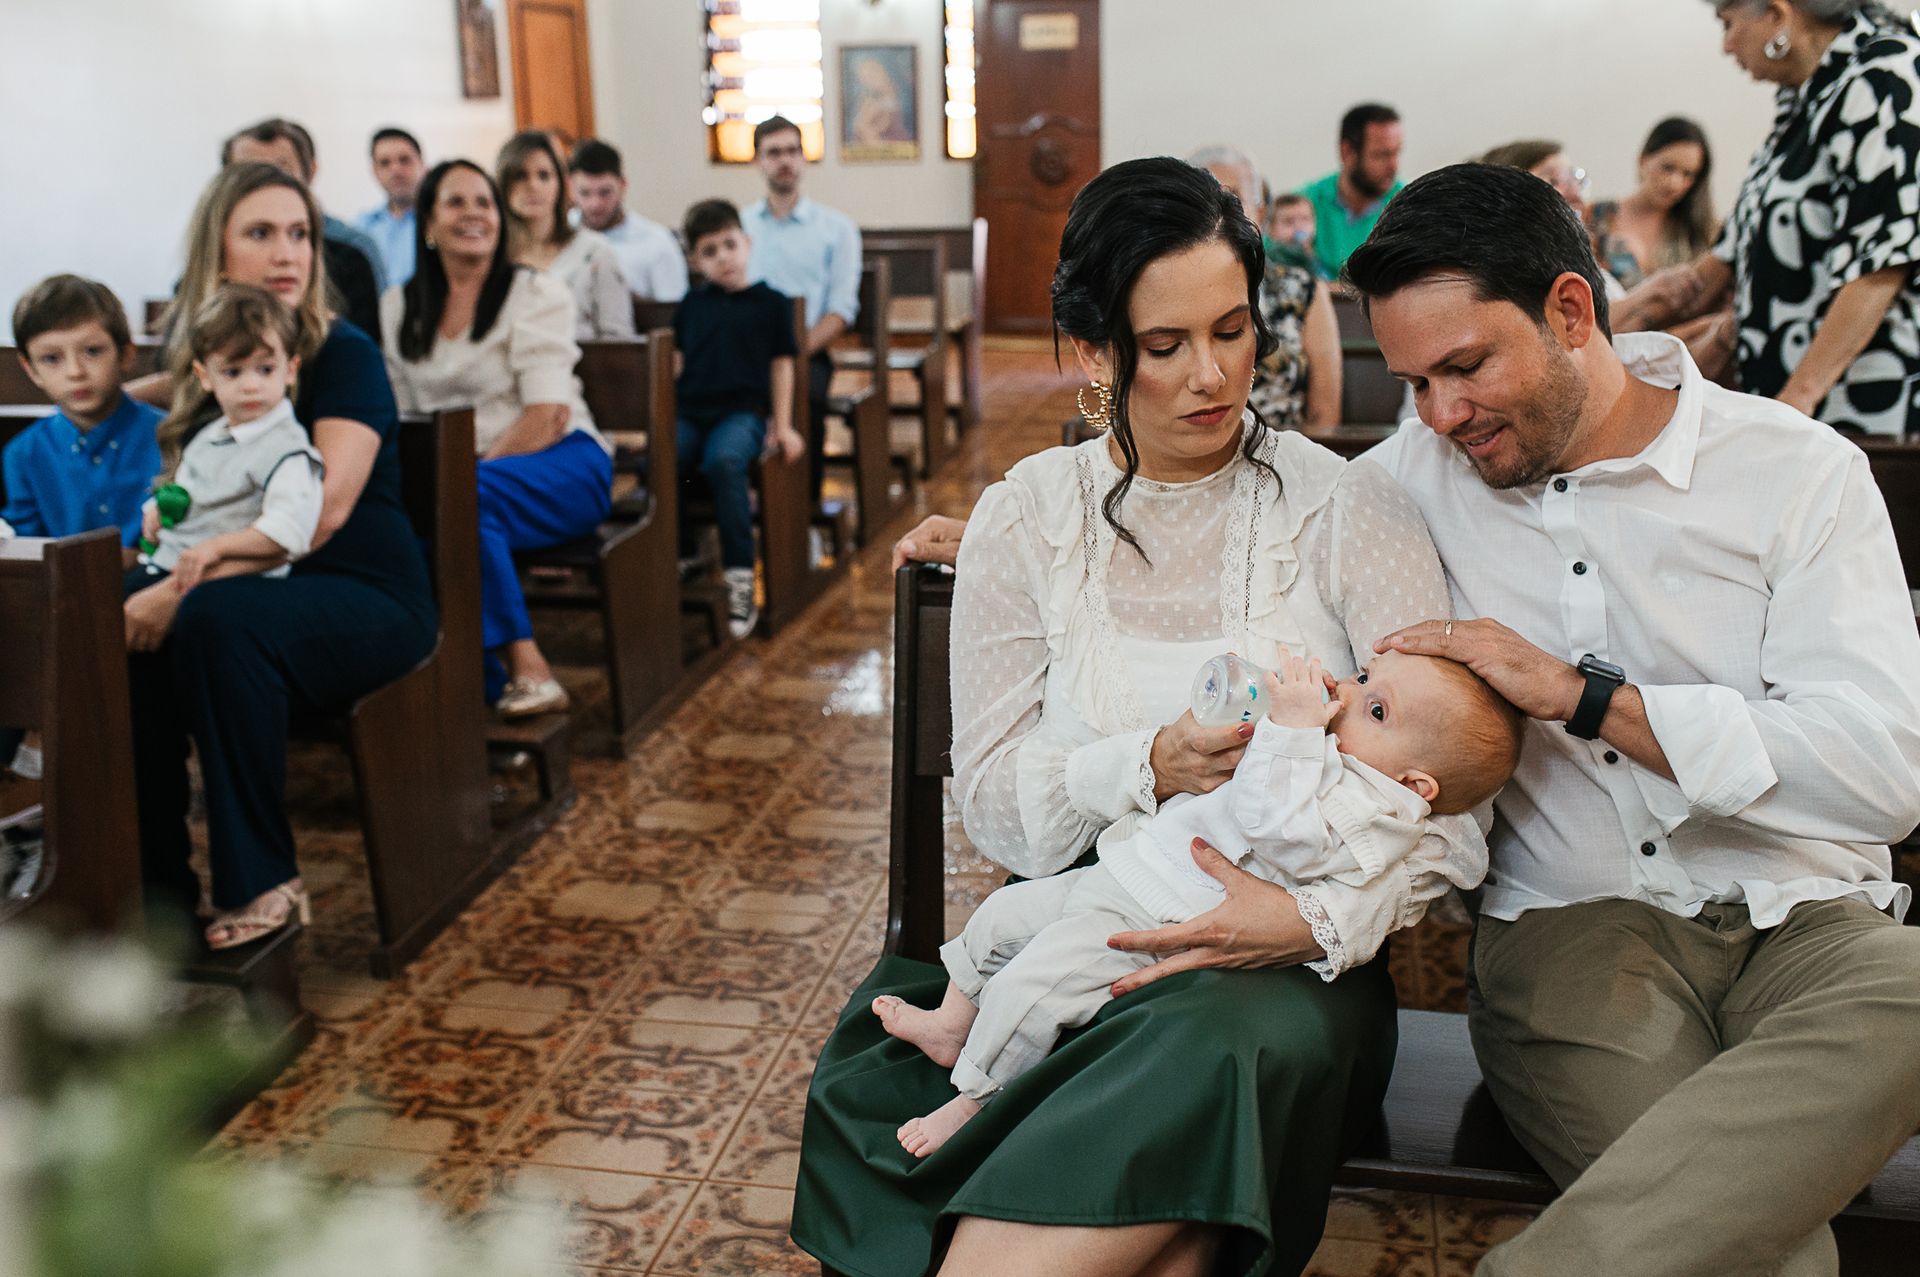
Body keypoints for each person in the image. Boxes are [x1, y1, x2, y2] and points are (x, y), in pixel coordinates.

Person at [794, 156, 1482, 1277]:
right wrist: (1148, 765)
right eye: (1164, 347)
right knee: (1171, 1248)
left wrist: (1301, 923)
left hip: (1285, 980)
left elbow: (1451, 818)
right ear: (1091, 355)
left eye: (1232, 328)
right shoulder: (1029, 520)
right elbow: (1007, 824)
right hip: (1071, 934)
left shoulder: (1349, 507)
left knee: (1203, 1067)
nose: (1213, 375)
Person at [1342, 160, 1920, 1277]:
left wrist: (1590, 698)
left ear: (1570, 309)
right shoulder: (1404, 481)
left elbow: (1887, 770)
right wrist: (1007, 533)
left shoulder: (1797, 474)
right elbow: (1237, 519)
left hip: (1810, 920)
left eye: (1463, 366)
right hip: (1577, 931)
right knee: (1777, 1262)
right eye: (1412, 381)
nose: (1439, 413)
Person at [877, 651, 1518, 1159]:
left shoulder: (1377, 814)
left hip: (1155, 919)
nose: (1347, 696)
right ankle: (952, 1022)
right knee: (998, 917)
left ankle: (974, 1098)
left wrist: (1293, 731)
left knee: (1035, 985)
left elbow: (1280, 832)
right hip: (1131, 869)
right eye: (1362, 677)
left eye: (1375, 708)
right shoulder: (1338, 754)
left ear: (1415, 784)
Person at [125, 161, 435, 948]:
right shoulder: (214, 363)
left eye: (300, 233)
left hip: (362, 593)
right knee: (115, 626)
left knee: (219, 622)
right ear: (218, 253)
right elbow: (182, 479)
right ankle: (152, 887)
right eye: (262, 233)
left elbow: (320, 513)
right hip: (250, 584)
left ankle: (262, 880)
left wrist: (182, 589)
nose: (289, 252)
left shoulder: (343, 353)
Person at [1615, 1, 1920, 436]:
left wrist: (1796, 401)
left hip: (1862, 407)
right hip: (1787, 407)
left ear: (1777, 15)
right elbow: (1723, 261)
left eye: (1729, 23)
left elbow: (1882, 261)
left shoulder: (1884, 74)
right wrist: (1621, 333)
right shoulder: (1802, 101)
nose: (1726, 45)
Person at [381, 159, 612, 719]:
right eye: (456, 203)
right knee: (405, 520)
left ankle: (526, 666)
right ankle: (464, 688)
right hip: (464, 481)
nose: (474, 215)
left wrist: (460, 478)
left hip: (560, 462)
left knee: (459, 504)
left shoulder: (536, 293)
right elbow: (405, 419)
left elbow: (548, 414)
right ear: (428, 224)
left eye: (484, 202)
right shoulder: (398, 308)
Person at [139, 283, 323, 599]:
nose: (251, 385)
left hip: (239, 583)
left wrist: (216, 548)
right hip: (172, 563)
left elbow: (288, 532)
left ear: (290, 370)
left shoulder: (288, 452)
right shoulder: (210, 437)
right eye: (233, 372)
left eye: (265, 369)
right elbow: (186, 493)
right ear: (205, 376)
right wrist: (157, 510)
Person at [674, 199, 804, 638]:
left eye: (730, 245)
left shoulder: (771, 303)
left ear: (747, 243)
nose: (723, 257)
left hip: (741, 414)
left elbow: (782, 365)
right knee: (666, 455)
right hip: (691, 411)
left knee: (724, 462)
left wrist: (783, 425)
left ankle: (739, 576)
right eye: (709, 251)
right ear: (695, 260)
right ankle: (684, 550)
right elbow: (675, 363)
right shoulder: (692, 303)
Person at [741, 115, 861, 506]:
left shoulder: (836, 228)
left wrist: (792, 352)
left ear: (804, 159)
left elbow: (841, 310)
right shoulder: (740, 227)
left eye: (793, 151)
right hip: (749, 352)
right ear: (757, 161)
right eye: (773, 153)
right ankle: (742, 510)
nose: (784, 161)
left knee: (804, 397)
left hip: (807, 352)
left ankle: (803, 512)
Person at [5, 275, 162, 549]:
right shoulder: (23, 454)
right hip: (62, 588)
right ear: (31, 369)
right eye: (52, 358)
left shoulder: (168, 435)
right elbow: (29, 550)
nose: (75, 372)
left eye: (92, 351)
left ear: (125, 354)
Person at [1189, 145, 1342, 428]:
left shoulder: (1304, 290)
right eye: (1202, 202)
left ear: (1259, 211)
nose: (1217, 216)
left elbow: (1325, 415)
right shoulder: (1172, 294)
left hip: (1286, 461)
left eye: (1233, 200)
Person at [223, 118, 385, 340]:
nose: (265, 185)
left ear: (310, 171)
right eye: (248, 173)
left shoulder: (352, 254)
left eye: (281, 170)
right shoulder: (206, 262)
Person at [495, 130, 634, 340]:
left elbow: (618, 339)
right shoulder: (491, 255)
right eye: (520, 176)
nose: (533, 186)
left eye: (544, 175)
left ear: (561, 184)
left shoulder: (595, 251)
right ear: (504, 184)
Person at [1589, 117, 1715, 289]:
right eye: (1667, 168)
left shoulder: (1701, 232)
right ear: (1643, 160)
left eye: (1688, 174)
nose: (1674, 183)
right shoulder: (1597, 216)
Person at [568, 138, 689, 302]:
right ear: (571, 189)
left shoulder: (657, 242)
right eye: (585, 193)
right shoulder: (558, 233)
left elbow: (674, 313)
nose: (595, 204)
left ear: (623, 186)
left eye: (605, 192)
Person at [1297, 102, 1405, 279]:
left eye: (1397, 153)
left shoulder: (1408, 207)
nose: (1394, 166)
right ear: (1347, 152)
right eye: (1381, 155)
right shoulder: (1304, 204)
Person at [357, 126, 426, 287]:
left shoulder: (438, 224)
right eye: (385, 163)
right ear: (374, 171)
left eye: (404, 160)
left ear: (422, 164)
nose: (395, 170)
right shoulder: (360, 228)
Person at [1265, 192, 1318, 272]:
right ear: (1271, 230)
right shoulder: (1276, 257)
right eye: (1289, 221)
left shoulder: (1314, 253)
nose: (1299, 227)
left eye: (1305, 219)